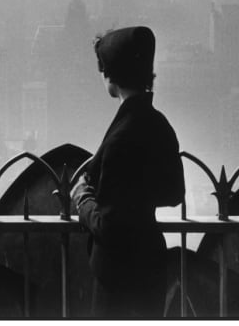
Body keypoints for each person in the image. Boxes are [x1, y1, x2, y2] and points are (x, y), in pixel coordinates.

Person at [71, 26, 184, 318]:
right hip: (151, 265)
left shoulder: (122, 137)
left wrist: (83, 200)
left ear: (110, 75)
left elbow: (109, 226)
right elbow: (174, 193)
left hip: (117, 276)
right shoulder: (160, 125)